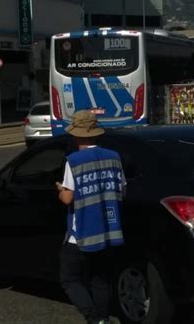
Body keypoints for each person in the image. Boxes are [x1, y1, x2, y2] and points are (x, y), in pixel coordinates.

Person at [56, 110, 126, 324]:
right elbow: (122, 191)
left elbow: (68, 198)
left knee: (69, 279)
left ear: (76, 135)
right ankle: (103, 318)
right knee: (100, 279)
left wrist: (59, 189)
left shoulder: (74, 161)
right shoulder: (114, 157)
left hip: (81, 234)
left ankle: (95, 319)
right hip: (108, 230)